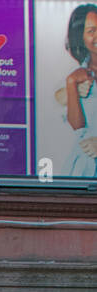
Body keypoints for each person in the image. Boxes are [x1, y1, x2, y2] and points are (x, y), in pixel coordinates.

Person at [56, 4, 97, 177]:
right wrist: (71, 83)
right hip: (83, 168)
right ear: (80, 36)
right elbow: (78, 127)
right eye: (91, 31)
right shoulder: (78, 75)